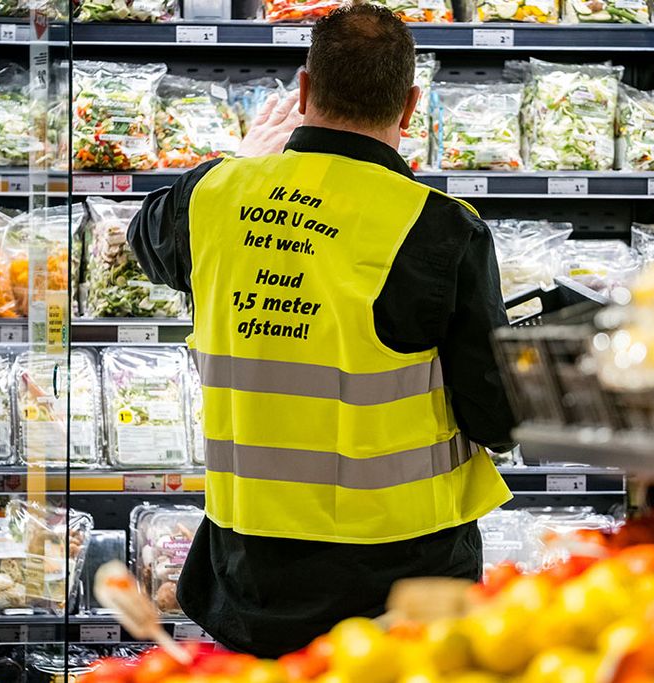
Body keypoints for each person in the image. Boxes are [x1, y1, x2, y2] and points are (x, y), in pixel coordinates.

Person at [128, 3, 515, 658]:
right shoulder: (442, 228)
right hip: (401, 583)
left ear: (303, 92)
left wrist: (237, 160)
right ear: (410, 106)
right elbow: (498, 415)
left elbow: (147, 237)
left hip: (250, 571)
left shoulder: (215, 197)